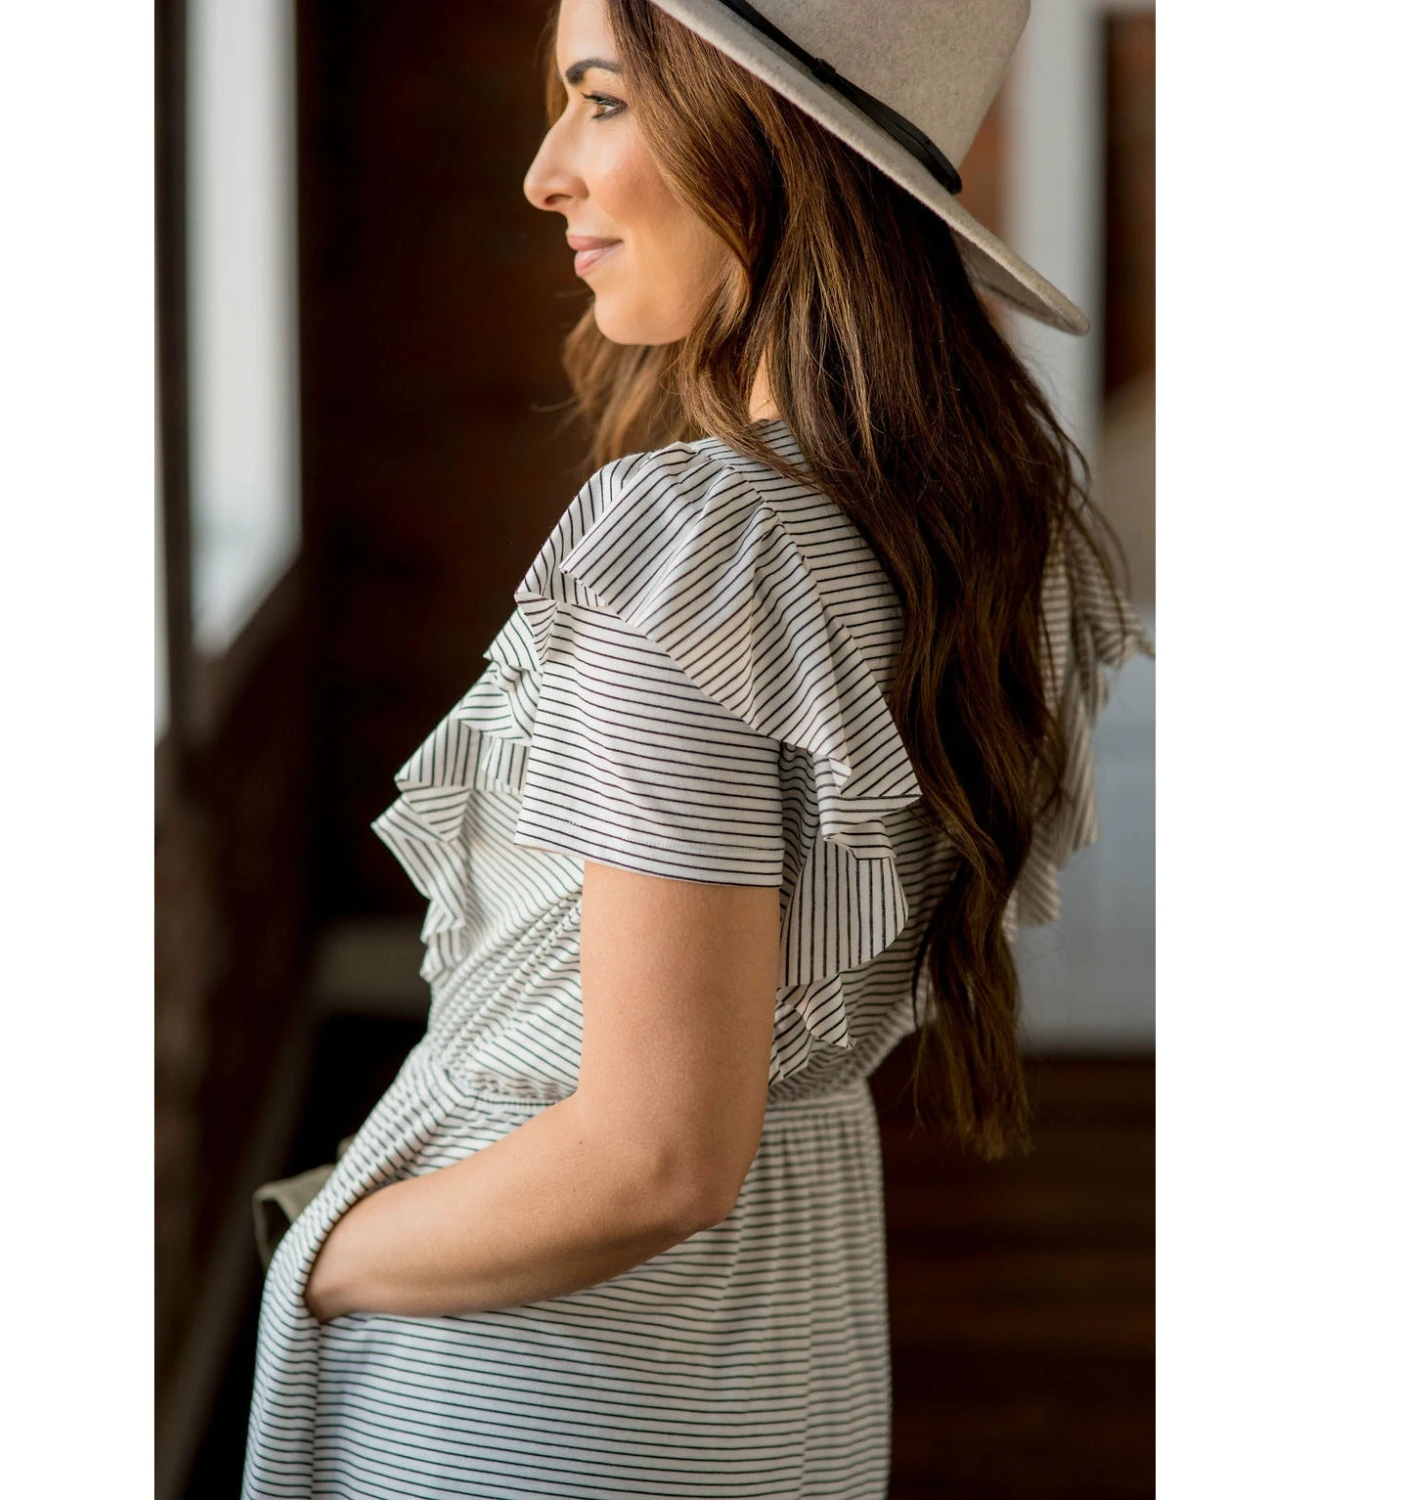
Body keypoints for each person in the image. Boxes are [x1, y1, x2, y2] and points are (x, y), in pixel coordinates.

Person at [241, 1, 1153, 1494]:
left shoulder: (699, 544)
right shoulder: (982, 539)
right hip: (787, 1343)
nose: (544, 171)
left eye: (601, 100)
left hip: (543, 1375)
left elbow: (652, 1158)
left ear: (770, 142)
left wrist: (328, 1253)